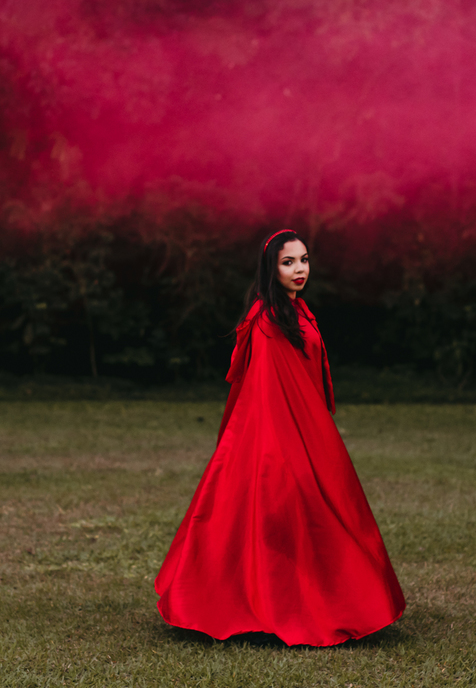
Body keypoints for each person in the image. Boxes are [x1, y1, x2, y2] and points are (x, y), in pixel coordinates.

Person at [154, 229, 405, 647]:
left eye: (303, 259)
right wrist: (292, 445)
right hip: (277, 433)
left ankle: (325, 603)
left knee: (324, 514)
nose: (299, 269)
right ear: (271, 269)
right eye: (288, 262)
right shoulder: (267, 320)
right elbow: (269, 391)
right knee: (282, 513)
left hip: (306, 426)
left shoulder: (296, 310)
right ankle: (272, 609)